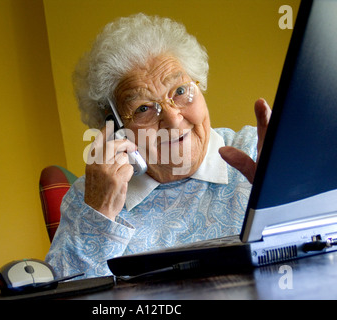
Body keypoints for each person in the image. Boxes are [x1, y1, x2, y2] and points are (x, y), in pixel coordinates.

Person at [45, 13, 271, 278]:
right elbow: (62, 294)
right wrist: (98, 216)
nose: (174, 120)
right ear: (115, 128)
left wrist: (289, 196)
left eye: (180, 91)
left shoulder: (258, 152)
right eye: (143, 108)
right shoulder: (91, 197)